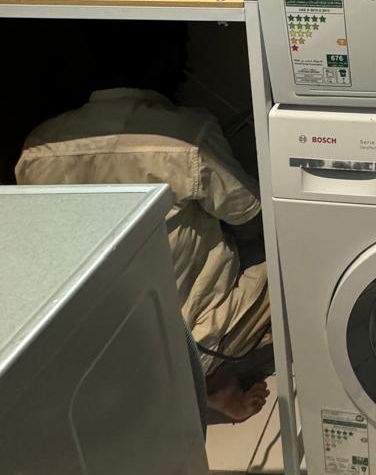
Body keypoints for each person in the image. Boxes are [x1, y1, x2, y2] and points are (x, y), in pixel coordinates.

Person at [16, 87, 272, 423]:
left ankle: (189, 382)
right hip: (186, 345)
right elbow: (251, 216)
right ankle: (211, 381)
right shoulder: (184, 134)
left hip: (99, 354)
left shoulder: (37, 148)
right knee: (298, 247)